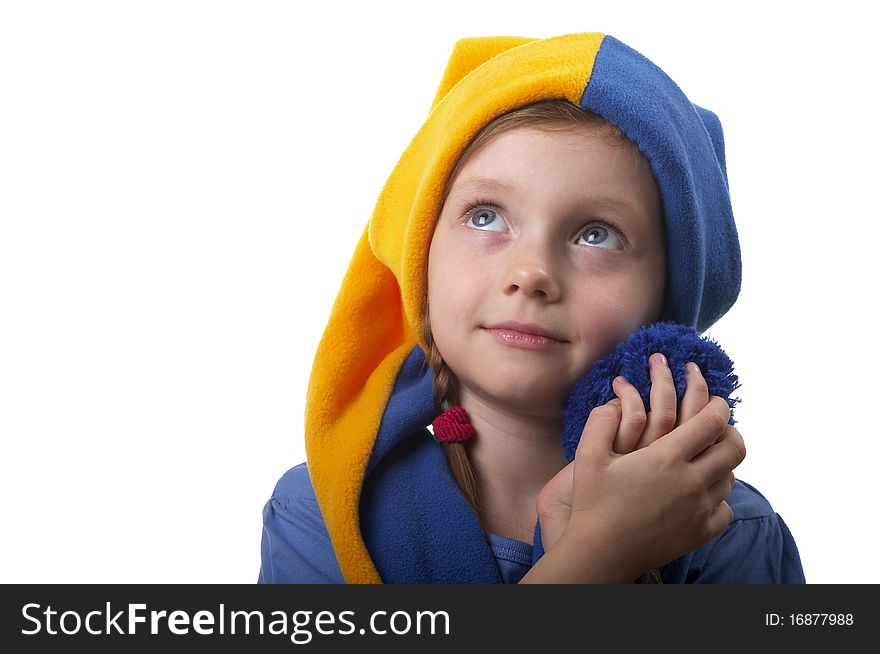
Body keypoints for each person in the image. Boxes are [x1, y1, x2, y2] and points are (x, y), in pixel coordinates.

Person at [259, 32, 805, 583]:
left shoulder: (730, 533)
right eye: (485, 217)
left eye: (597, 234)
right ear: (422, 254)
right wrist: (596, 557)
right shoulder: (323, 513)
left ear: (665, 299)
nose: (531, 273)